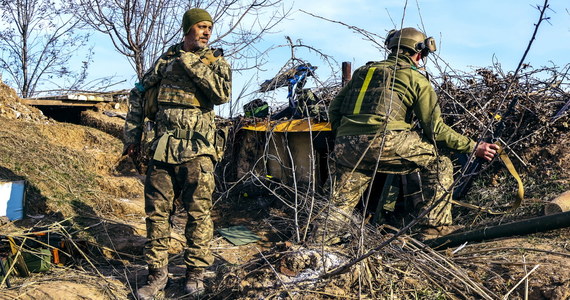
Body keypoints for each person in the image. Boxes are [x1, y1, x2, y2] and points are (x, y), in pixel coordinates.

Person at [324, 27, 498, 243]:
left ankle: (321, 242)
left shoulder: (363, 72)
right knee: (439, 163)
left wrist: (348, 135)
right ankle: (434, 228)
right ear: (419, 53)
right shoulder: (416, 79)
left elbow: (334, 109)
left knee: (340, 200)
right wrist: (473, 146)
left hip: (346, 145)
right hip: (385, 142)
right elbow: (435, 130)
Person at [123, 8, 231, 299]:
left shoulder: (216, 62)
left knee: (199, 215)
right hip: (162, 149)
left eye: (210, 27)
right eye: (201, 27)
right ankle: (157, 275)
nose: (207, 31)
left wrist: (189, 60)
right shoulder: (165, 61)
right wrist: (131, 137)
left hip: (198, 151)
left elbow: (221, 94)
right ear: (188, 30)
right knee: (157, 215)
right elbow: (138, 92)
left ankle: (195, 275)